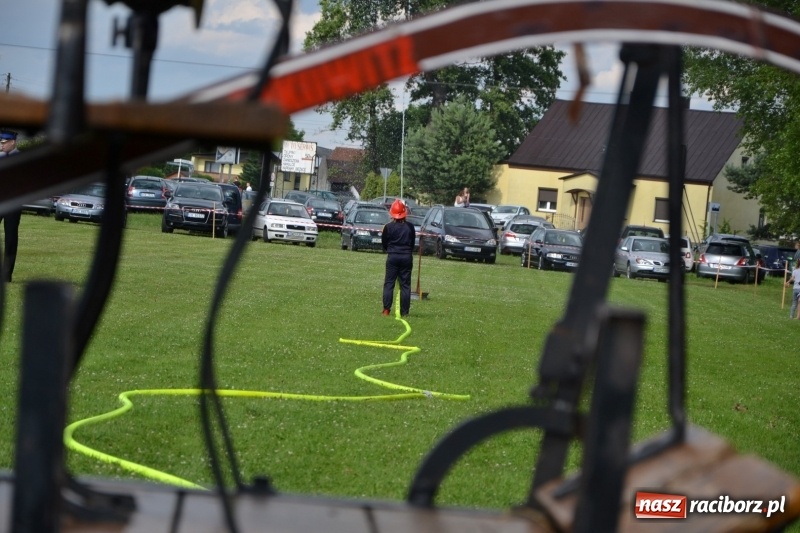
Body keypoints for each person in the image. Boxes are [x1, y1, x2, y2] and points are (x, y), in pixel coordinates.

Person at [381, 200, 415, 317]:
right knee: (405, 285)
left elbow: (384, 243)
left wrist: (391, 250)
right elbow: (412, 243)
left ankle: (386, 310)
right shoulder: (410, 227)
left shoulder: (388, 227)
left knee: (389, 283)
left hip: (393, 257)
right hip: (406, 257)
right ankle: (405, 312)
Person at [0, 130, 21, 282]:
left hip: (13, 203)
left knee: (10, 237)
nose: (1, 145)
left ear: (12, 142)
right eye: (0, 142)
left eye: (3, 143)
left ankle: (6, 274)